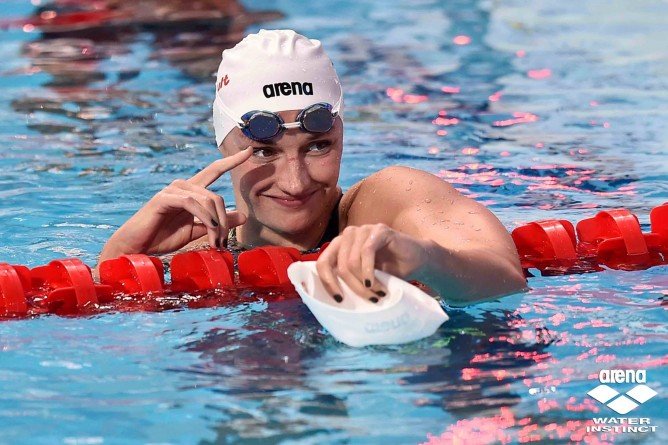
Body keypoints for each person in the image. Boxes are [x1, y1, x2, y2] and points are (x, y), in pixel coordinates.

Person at [97, 29, 527, 306]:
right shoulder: (193, 255)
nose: (295, 181)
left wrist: (421, 257)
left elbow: (506, 278)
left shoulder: (386, 205)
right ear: (221, 146)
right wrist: (120, 264)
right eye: (264, 152)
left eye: (318, 146)